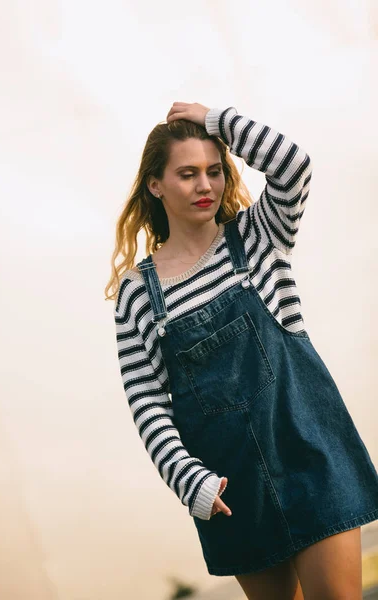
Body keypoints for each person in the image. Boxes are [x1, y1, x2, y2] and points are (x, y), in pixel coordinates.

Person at [105, 101, 378, 599]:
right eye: (187, 174)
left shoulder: (259, 236)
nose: (205, 186)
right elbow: (146, 405)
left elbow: (293, 163)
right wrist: (191, 482)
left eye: (215, 171)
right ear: (155, 184)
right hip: (232, 489)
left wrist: (215, 119)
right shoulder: (137, 295)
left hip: (312, 455)